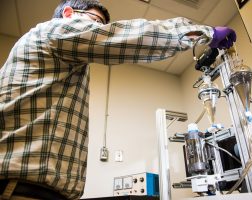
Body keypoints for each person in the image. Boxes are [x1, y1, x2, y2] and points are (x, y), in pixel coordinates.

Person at [0, 0, 236, 199]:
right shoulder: (54, 30)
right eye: (95, 23)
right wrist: (205, 33)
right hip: (23, 191)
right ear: (69, 14)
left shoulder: (52, 59)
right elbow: (125, 37)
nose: (99, 29)